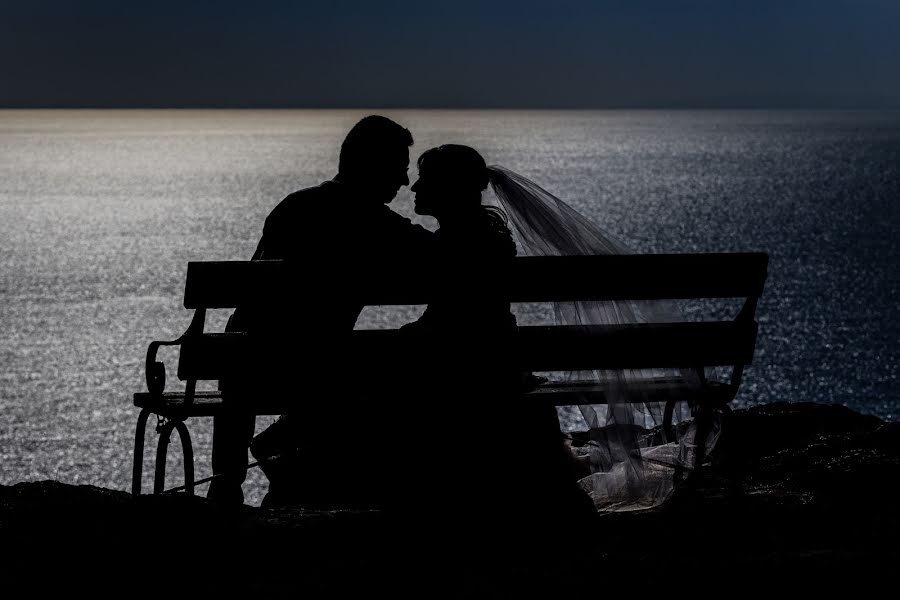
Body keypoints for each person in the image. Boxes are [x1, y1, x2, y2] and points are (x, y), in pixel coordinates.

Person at [208, 115, 435, 506]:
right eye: (398, 168)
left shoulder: (293, 206)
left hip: (247, 368)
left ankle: (226, 485)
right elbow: (443, 257)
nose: (403, 181)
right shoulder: (376, 224)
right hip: (316, 374)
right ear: (371, 164)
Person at [399, 145, 596, 524]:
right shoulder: (485, 237)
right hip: (499, 361)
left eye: (426, 179)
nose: (414, 187)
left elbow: (455, 324)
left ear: (449, 188)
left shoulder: (458, 244)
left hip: (470, 369)